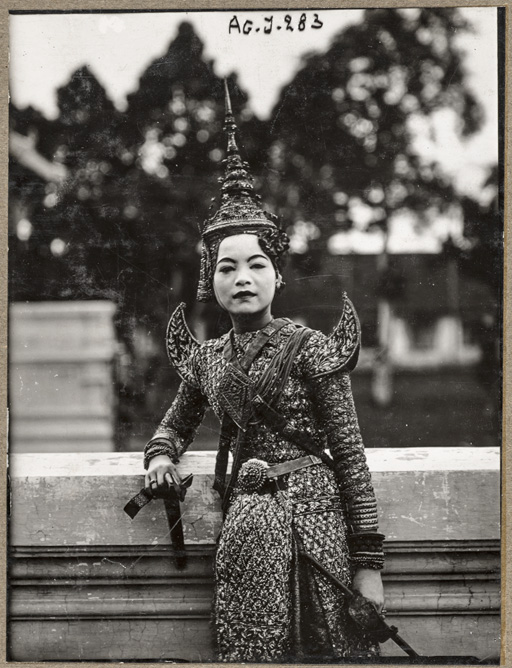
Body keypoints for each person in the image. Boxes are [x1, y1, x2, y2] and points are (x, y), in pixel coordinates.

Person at [143, 82, 385, 663]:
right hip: (249, 528)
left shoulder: (309, 349)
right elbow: (172, 426)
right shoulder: (207, 359)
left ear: (278, 275)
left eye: (257, 264)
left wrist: (369, 569)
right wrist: (158, 459)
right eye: (227, 267)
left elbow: (351, 461)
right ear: (211, 281)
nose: (242, 278)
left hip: (318, 524)